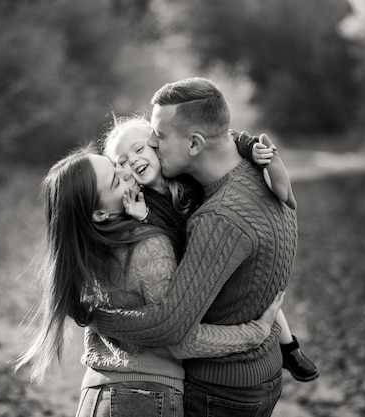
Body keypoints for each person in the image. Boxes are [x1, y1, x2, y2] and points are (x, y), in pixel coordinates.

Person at [14, 146, 285, 417]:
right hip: (143, 398)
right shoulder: (148, 246)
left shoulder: (85, 257)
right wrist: (255, 333)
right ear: (99, 213)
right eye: (116, 180)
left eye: (115, 165)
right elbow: (181, 338)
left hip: (94, 395)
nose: (126, 172)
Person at [91, 77, 300, 417]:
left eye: (155, 139)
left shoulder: (213, 209)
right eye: (122, 162)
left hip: (222, 386)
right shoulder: (237, 175)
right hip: (251, 375)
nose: (154, 145)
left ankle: (291, 345)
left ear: (194, 144)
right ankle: (288, 346)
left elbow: (173, 327)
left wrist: (98, 317)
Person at [102, 116, 319, 383]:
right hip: (195, 267)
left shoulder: (185, 173)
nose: (133, 161)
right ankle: (233, 346)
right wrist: (143, 217)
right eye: (122, 161)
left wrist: (249, 145)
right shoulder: (142, 204)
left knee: (262, 290)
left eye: (139, 149)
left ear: (157, 145)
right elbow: (162, 249)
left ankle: (290, 347)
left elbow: (221, 140)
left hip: (221, 246)